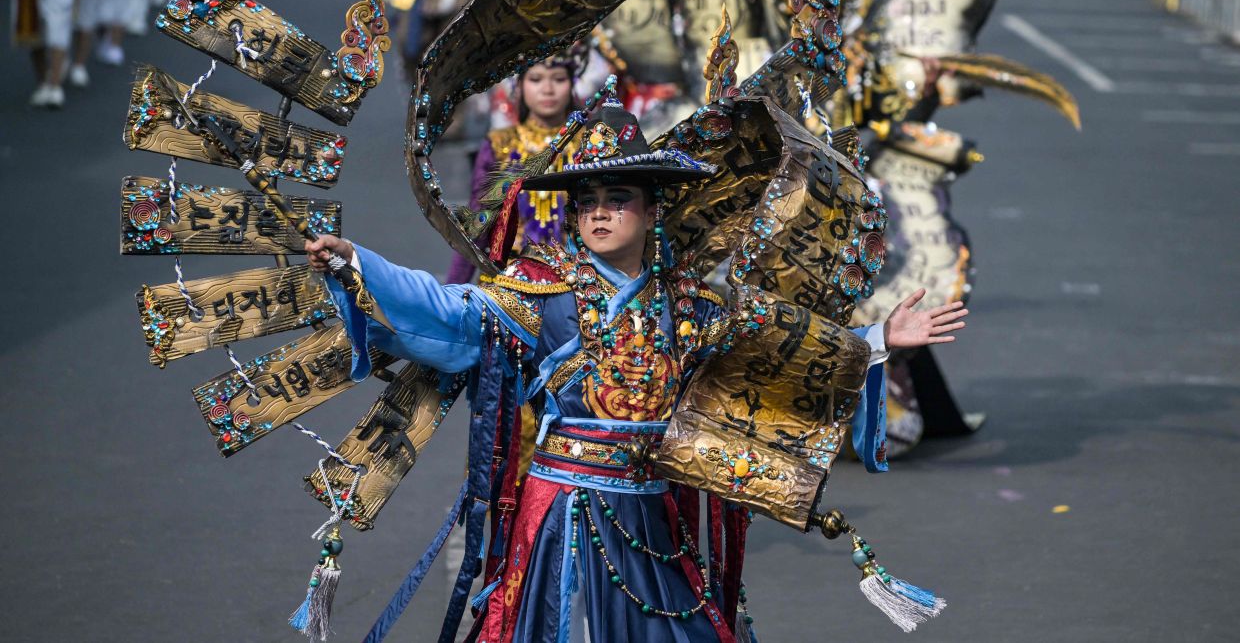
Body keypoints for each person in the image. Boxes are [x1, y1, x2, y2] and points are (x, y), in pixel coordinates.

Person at [305, 97, 966, 642]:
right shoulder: (544, 291)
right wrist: (360, 267)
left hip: (651, 512)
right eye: (586, 198)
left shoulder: (690, 302)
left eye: (616, 197)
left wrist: (879, 336)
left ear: (651, 211)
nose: (596, 211)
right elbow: (449, 312)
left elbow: (777, 345)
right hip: (562, 510)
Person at [444, 46, 588, 285]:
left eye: (559, 79)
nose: (548, 89)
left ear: (572, 84)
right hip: (508, 281)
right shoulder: (499, 145)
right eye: (536, 79)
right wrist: (450, 292)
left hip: (574, 280)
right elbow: (478, 224)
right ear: (518, 85)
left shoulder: (589, 142)